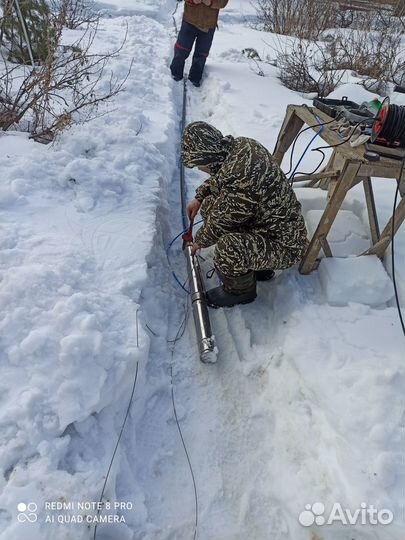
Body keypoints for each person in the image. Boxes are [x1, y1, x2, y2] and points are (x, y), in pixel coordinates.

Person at [182, 121, 308, 308]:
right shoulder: (240, 146)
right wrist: (200, 197)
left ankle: (240, 291)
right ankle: (258, 267)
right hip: (271, 226)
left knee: (228, 248)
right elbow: (222, 178)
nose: (200, 170)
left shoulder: (241, 175)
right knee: (210, 205)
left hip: (285, 244)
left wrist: (198, 242)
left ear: (208, 157)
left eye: (199, 164)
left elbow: (221, 222)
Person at [170, 0, 228, 87]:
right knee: (181, 49)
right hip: (189, 20)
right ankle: (175, 75)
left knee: (201, 54)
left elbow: (223, 2)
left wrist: (210, 2)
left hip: (209, 24)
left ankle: (195, 79)